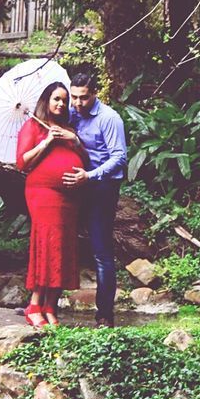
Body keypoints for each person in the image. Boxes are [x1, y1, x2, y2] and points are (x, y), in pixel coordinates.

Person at [16, 81, 87, 327]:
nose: (61, 104)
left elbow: (86, 159)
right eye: (57, 99)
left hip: (70, 197)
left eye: (64, 101)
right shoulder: (33, 126)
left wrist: (74, 140)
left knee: (63, 246)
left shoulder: (69, 128)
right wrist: (46, 141)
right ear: (46, 100)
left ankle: (51, 306)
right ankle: (34, 305)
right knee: (47, 244)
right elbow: (22, 162)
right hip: (43, 194)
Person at [62, 72, 128, 327]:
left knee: (101, 251)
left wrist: (89, 176)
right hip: (76, 183)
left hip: (102, 186)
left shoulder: (109, 118)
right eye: (74, 97)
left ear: (95, 93)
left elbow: (119, 158)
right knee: (62, 241)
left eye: (84, 98)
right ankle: (44, 305)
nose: (77, 103)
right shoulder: (71, 112)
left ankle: (104, 315)